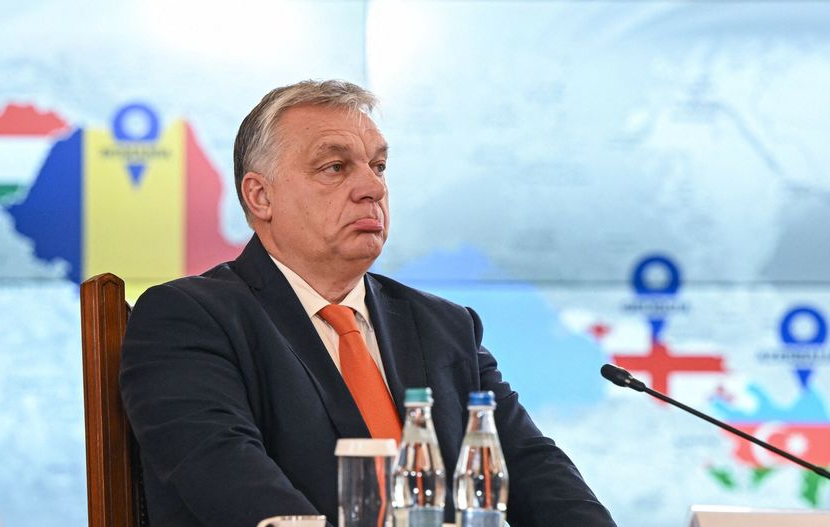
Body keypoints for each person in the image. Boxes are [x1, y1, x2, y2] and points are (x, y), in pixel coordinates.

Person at [120, 80, 616, 527]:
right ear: (260, 196)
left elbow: (529, 464)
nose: (373, 188)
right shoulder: (189, 318)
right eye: (335, 167)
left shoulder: (444, 324)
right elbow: (225, 471)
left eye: (378, 166)